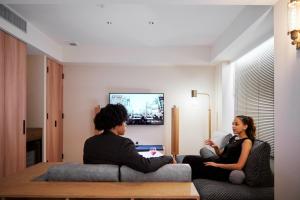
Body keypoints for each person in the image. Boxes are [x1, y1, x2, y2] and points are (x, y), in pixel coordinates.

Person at [83, 103, 173, 173]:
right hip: (120, 192)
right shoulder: (123, 144)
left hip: (93, 190)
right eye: (124, 121)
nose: (125, 125)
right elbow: (146, 166)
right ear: (116, 123)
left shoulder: (89, 143)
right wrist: (168, 158)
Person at [183, 115, 256, 181]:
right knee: (188, 158)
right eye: (233, 124)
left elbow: (239, 166)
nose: (233, 126)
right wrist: (216, 147)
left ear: (245, 126)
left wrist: (216, 165)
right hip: (217, 162)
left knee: (190, 162)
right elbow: (221, 154)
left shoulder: (247, 142)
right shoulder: (234, 138)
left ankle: (181, 181)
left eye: (236, 124)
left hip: (223, 169)